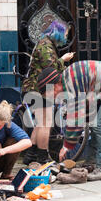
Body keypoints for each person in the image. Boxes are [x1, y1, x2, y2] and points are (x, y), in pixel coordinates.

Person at [36, 61, 101, 181]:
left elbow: (76, 119)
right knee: (94, 124)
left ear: (54, 85)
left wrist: (66, 146)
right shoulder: (67, 80)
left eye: (49, 94)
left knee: (100, 126)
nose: (52, 97)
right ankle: (92, 162)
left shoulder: (70, 83)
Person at [21, 20, 75, 165]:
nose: (66, 37)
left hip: (36, 89)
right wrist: (63, 60)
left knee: (40, 123)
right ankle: (43, 156)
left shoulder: (45, 44)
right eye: (65, 33)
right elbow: (49, 68)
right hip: (40, 90)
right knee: (46, 123)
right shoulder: (45, 46)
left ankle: (31, 154)